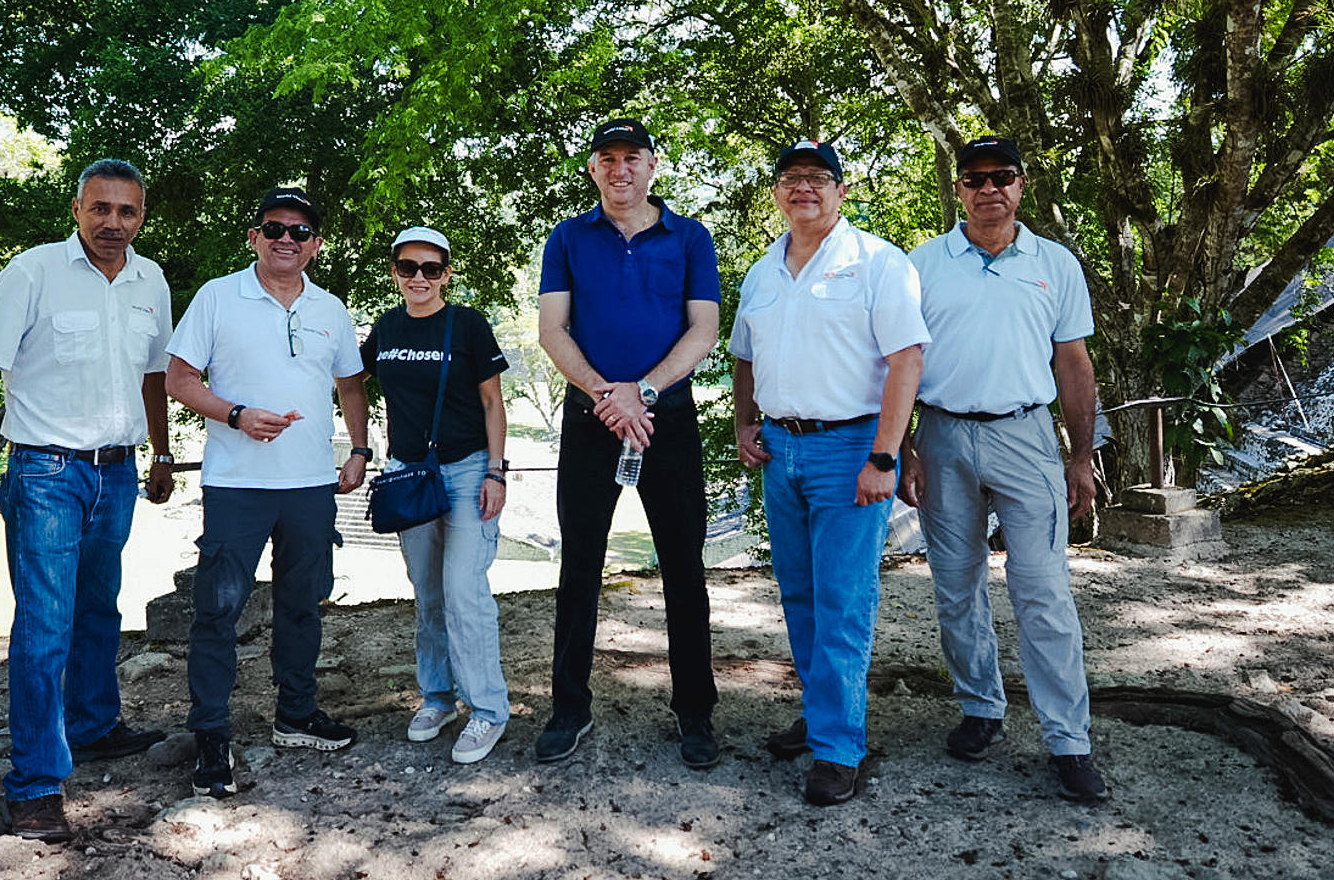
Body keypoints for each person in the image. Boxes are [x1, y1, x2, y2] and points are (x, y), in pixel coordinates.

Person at [0, 158, 176, 844]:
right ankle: (36, 784)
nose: (113, 223)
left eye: (127, 211)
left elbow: (155, 372)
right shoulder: (32, 272)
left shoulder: (151, 280)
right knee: (45, 623)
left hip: (118, 472)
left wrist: (161, 452)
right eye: (100, 208)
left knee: (98, 608)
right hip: (45, 471)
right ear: (76, 209)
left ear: (141, 216)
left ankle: (94, 724)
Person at [898, 135, 1108, 804]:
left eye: (1002, 177)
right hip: (942, 435)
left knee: (1043, 590)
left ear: (1022, 185)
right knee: (956, 587)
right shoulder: (920, 265)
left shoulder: (1055, 263)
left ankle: (1069, 740)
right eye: (975, 178)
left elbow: (1073, 363)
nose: (989, 188)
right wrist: (901, 445)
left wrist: (1081, 455)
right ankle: (981, 707)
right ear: (958, 188)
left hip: (1026, 435)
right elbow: (897, 362)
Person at [731, 140, 928, 806]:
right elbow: (744, 357)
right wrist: (743, 422)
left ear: (842, 192)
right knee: (800, 594)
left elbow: (906, 362)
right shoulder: (763, 271)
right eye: (791, 179)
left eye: (819, 178)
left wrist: (884, 454)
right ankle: (822, 717)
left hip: (850, 450)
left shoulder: (877, 262)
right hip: (781, 450)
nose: (804, 188)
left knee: (844, 600)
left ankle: (840, 748)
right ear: (778, 193)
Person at [164, 187, 372, 798]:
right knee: (217, 611)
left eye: (300, 231)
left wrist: (358, 450)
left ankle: (296, 714)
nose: (287, 238)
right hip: (237, 484)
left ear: (316, 245)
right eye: (274, 227)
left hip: (310, 484)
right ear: (254, 237)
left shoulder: (332, 308)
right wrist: (235, 416)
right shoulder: (217, 297)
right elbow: (179, 378)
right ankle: (210, 736)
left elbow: (352, 386)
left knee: (304, 603)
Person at [535, 117, 722, 768]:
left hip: (665, 417)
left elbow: (704, 329)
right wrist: (604, 395)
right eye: (607, 158)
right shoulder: (567, 238)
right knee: (579, 565)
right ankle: (568, 706)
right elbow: (552, 330)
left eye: (632, 157)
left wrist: (641, 390)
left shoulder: (691, 237)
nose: (620, 168)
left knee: (683, 569)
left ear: (653, 165)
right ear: (593, 169)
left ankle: (696, 712)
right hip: (590, 421)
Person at [362, 226, 512, 764]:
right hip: (410, 472)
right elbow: (350, 380)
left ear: (446, 273)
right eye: (408, 268)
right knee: (427, 591)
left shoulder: (467, 324)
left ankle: (488, 710)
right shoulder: (385, 327)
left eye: (430, 268)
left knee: (462, 589)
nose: (418, 277)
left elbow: (494, 404)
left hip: (469, 468)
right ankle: (437, 696)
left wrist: (497, 472)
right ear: (396, 272)